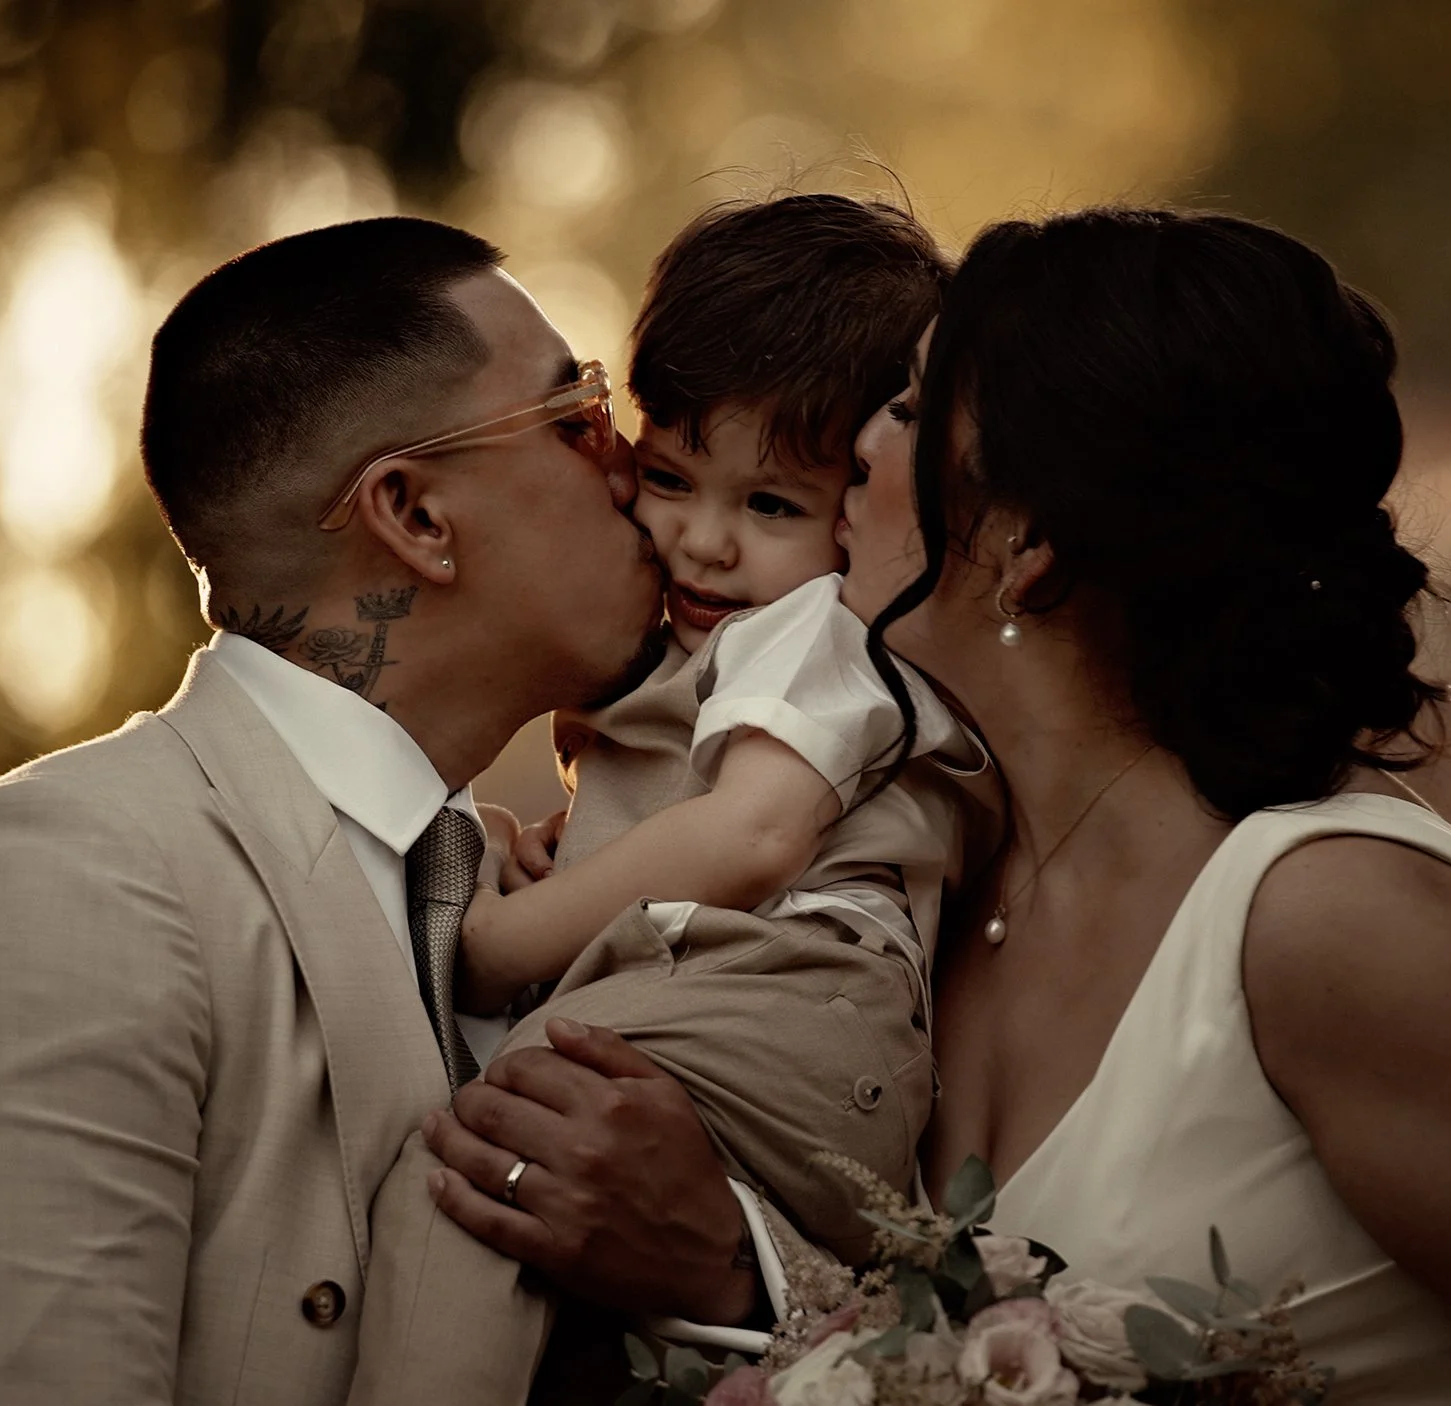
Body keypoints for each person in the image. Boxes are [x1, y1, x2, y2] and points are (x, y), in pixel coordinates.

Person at [428, 206, 1451, 1404]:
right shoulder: (933, 896)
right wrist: (735, 1266)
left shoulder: (1332, 916)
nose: (850, 449)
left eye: (903, 409)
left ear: (1028, 543)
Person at [0, 216, 754, 1406]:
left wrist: (724, 1270)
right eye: (576, 414)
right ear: (415, 515)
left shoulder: (568, 873)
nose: (636, 467)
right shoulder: (56, 886)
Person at [346, 193, 992, 1406]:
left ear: (865, 498)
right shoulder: (722, 644)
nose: (702, 542)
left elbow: (752, 835)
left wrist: (496, 943)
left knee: (468, 1175)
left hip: (791, 997)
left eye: (772, 505)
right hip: (773, 1023)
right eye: (669, 476)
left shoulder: (818, 630)